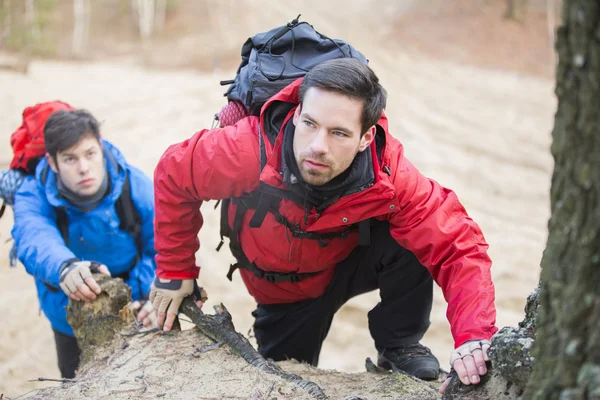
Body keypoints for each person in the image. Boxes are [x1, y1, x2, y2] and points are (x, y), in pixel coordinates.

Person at [149, 59, 498, 389]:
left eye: (339, 134)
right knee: (281, 380)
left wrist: (474, 336)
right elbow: (174, 172)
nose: (317, 146)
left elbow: (458, 244)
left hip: (347, 259)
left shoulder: (388, 174)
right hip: (286, 293)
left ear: (365, 138)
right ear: (297, 112)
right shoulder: (247, 148)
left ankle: (399, 344)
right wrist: (175, 272)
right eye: (310, 124)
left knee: (410, 240)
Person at [12, 109, 157, 379]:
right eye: (70, 158)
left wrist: (149, 294)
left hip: (138, 310)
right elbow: (33, 235)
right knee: (77, 384)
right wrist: (64, 267)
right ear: (52, 162)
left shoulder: (134, 185)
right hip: (69, 317)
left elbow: (163, 245)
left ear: (100, 147)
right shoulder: (33, 193)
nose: (83, 168)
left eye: (90, 154)